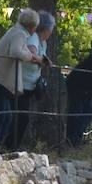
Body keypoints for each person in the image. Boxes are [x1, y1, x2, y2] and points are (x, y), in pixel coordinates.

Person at [0, 8, 40, 149]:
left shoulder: (16, 32)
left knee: (6, 116)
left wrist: (31, 56)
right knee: (1, 115)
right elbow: (15, 51)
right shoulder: (19, 33)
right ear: (32, 26)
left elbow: (21, 50)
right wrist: (31, 57)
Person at [13, 10, 54, 149]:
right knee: (20, 117)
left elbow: (42, 58)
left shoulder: (43, 42)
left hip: (31, 84)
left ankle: (13, 145)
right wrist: (43, 62)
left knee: (23, 117)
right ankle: (10, 146)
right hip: (22, 83)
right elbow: (32, 54)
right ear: (47, 28)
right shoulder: (34, 38)